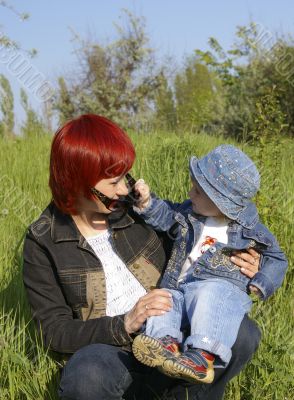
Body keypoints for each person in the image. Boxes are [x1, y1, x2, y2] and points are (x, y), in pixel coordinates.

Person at [23, 115, 261, 400]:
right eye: (113, 182)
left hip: (171, 330)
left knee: (244, 333)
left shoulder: (137, 209)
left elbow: (196, 245)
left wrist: (240, 261)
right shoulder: (43, 240)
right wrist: (125, 323)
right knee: (86, 377)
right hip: (111, 348)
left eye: (125, 176)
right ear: (77, 182)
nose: (125, 189)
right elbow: (54, 332)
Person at [131, 145, 288, 385]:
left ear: (220, 201)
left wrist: (261, 281)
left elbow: (277, 258)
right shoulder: (190, 213)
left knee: (209, 293)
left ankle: (201, 357)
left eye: (197, 191)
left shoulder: (250, 232)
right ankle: (165, 345)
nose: (190, 193)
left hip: (218, 293)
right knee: (162, 299)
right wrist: (146, 204)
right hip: (179, 286)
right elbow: (166, 216)